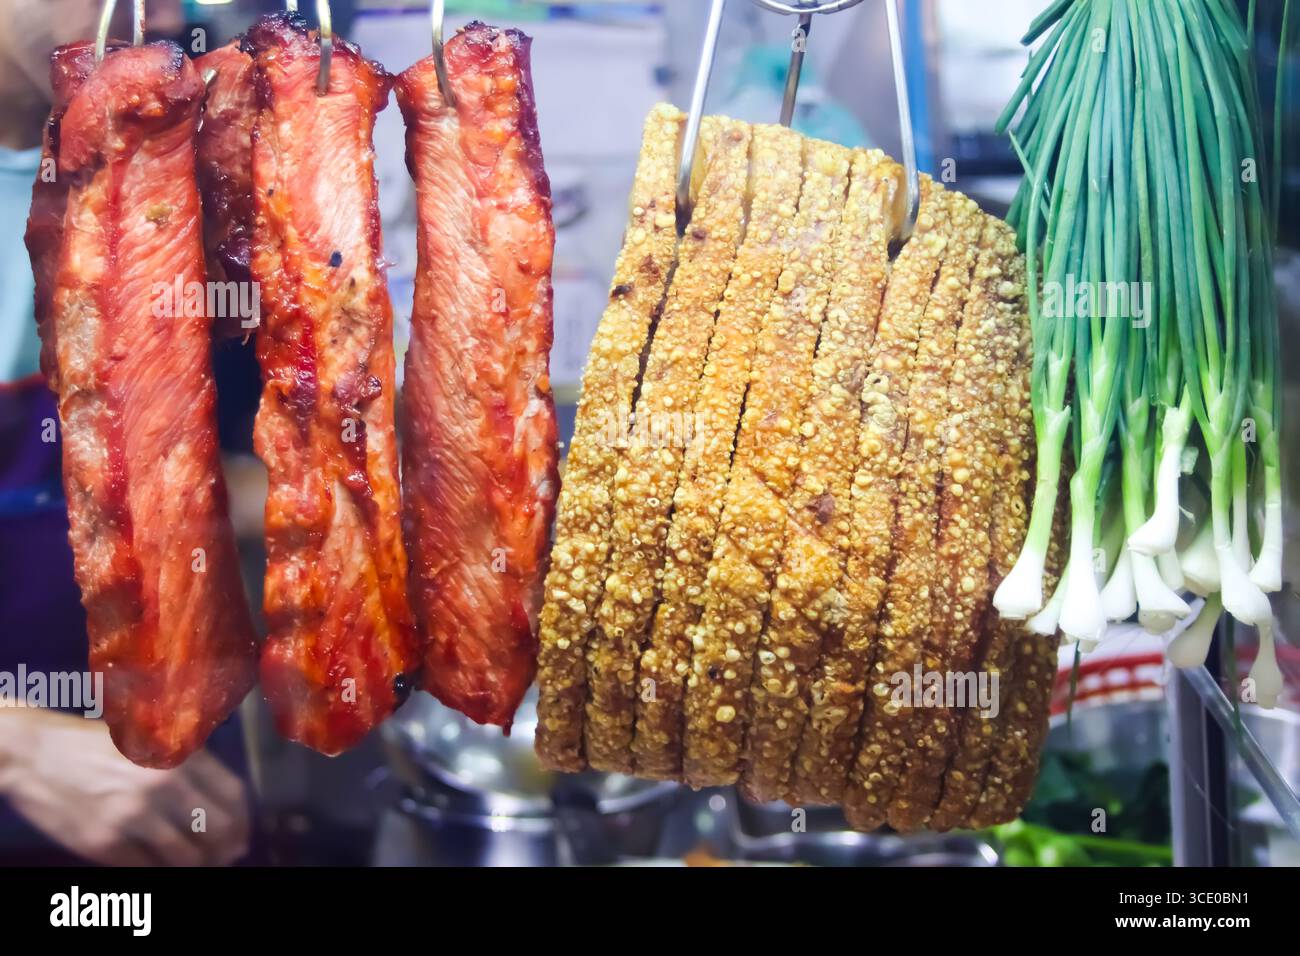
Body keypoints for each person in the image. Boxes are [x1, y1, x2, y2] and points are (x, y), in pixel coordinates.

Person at [0, 0, 252, 866]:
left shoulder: (186, 149)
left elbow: (228, 462)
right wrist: (15, 746)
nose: (168, 12)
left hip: (178, 765)